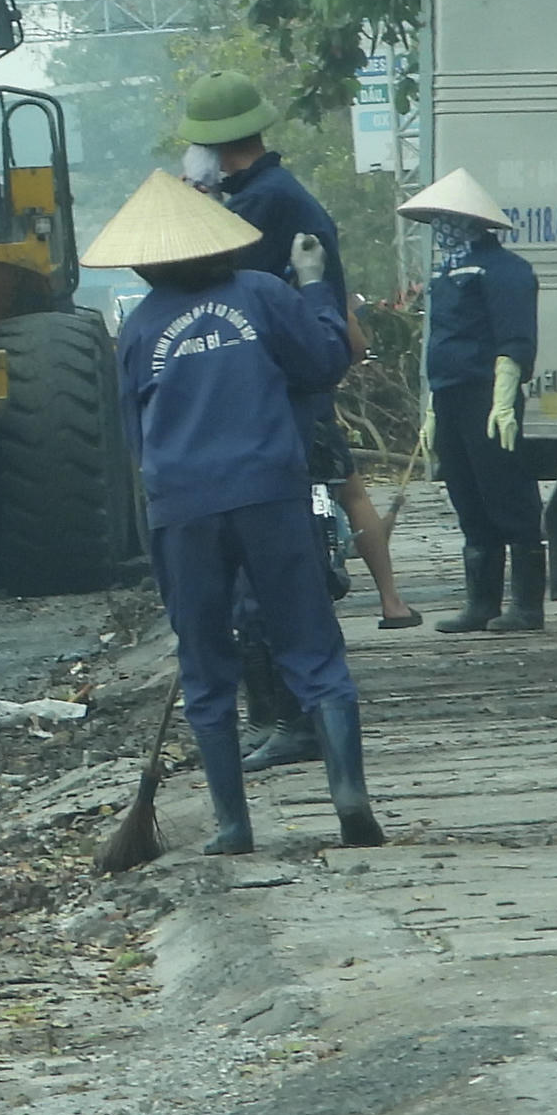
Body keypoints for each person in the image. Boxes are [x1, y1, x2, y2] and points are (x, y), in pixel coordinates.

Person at [95, 167, 381, 852]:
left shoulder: (139, 330)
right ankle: (349, 796)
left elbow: (136, 438)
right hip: (269, 492)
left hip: (183, 508)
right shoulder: (262, 295)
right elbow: (324, 363)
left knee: (204, 665)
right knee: (310, 644)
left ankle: (231, 825)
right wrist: (314, 285)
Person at [180, 70, 418, 641]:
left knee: (286, 494)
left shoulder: (260, 203)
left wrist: (197, 204)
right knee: (348, 484)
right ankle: (391, 600)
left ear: (213, 147)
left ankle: (295, 619)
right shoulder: (280, 191)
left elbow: (211, 274)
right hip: (313, 357)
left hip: (281, 374)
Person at [405, 168, 546, 632]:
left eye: (447, 218)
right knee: (467, 497)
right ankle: (481, 603)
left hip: (487, 396)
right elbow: (440, 343)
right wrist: (432, 409)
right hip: (449, 395)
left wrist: (503, 400)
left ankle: (526, 607)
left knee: (507, 494)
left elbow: (515, 337)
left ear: (470, 221)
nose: (440, 228)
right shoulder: (445, 273)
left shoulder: (505, 270)